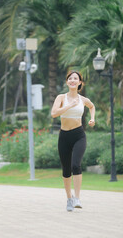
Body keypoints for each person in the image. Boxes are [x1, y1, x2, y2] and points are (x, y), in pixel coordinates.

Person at [51, 70, 95, 212]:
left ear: (80, 83)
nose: (73, 80)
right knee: (66, 170)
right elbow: (54, 114)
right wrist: (69, 105)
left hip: (78, 135)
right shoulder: (61, 97)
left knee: (76, 165)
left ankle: (77, 198)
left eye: (75, 78)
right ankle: (69, 198)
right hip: (64, 136)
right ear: (67, 82)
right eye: (70, 78)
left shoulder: (83, 100)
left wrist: (92, 118)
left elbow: (92, 106)